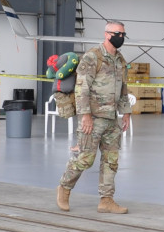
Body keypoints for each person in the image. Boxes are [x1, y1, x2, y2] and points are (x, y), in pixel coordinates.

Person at [56, 21, 132, 214]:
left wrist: (127, 113)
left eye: (123, 34)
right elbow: (82, 88)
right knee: (85, 159)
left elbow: (123, 88)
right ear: (107, 34)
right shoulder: (92, 57)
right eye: (117, 33)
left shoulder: (120, 60)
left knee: (111, 160)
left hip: (112, 119)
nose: (121, 37)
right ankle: (64, 188)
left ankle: (106, 200)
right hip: (93, 118)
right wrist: (85, 116)